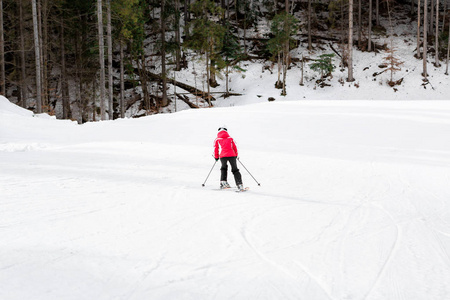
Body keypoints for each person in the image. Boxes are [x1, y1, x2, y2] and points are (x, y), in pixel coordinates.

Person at [213, 126, 244, 190]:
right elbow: (234, 147)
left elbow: (216, 148)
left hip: (223, 156)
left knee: (223, 168)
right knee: (235, 169)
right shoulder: (230, 138)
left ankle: (223, 182)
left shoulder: (217, 139)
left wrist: (216, 157)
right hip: (232, 155)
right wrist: (236, 155)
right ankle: (239, 184)